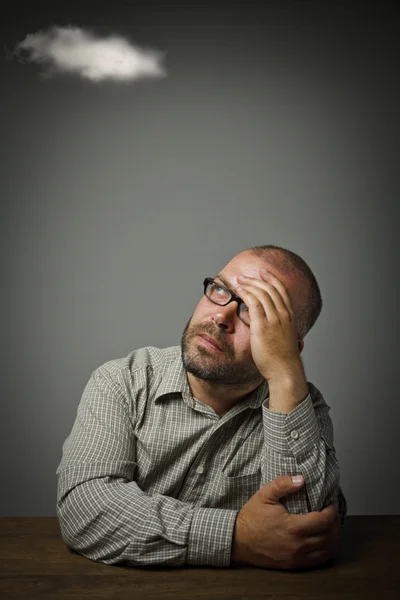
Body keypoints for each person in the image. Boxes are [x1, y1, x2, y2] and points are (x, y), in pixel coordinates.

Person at [56, 244, 346, 570]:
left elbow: (300, 536)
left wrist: (284, 375)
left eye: (256, 310)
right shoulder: (122, 381)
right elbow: (85, 509)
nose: (220, 316)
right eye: (220, 289)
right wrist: (238, 537)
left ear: (288, 347)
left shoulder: (301, 406)